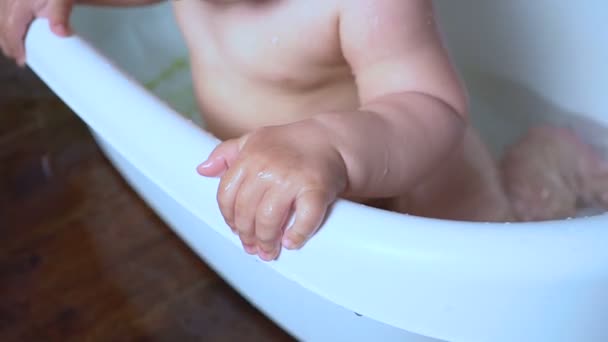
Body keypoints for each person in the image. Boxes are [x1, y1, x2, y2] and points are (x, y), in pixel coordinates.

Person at [2, 0, 605, 263]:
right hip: (284, 187)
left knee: (498, 250)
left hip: (423, 188)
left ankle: (553, 163)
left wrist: (330, 145)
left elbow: (431, 107)